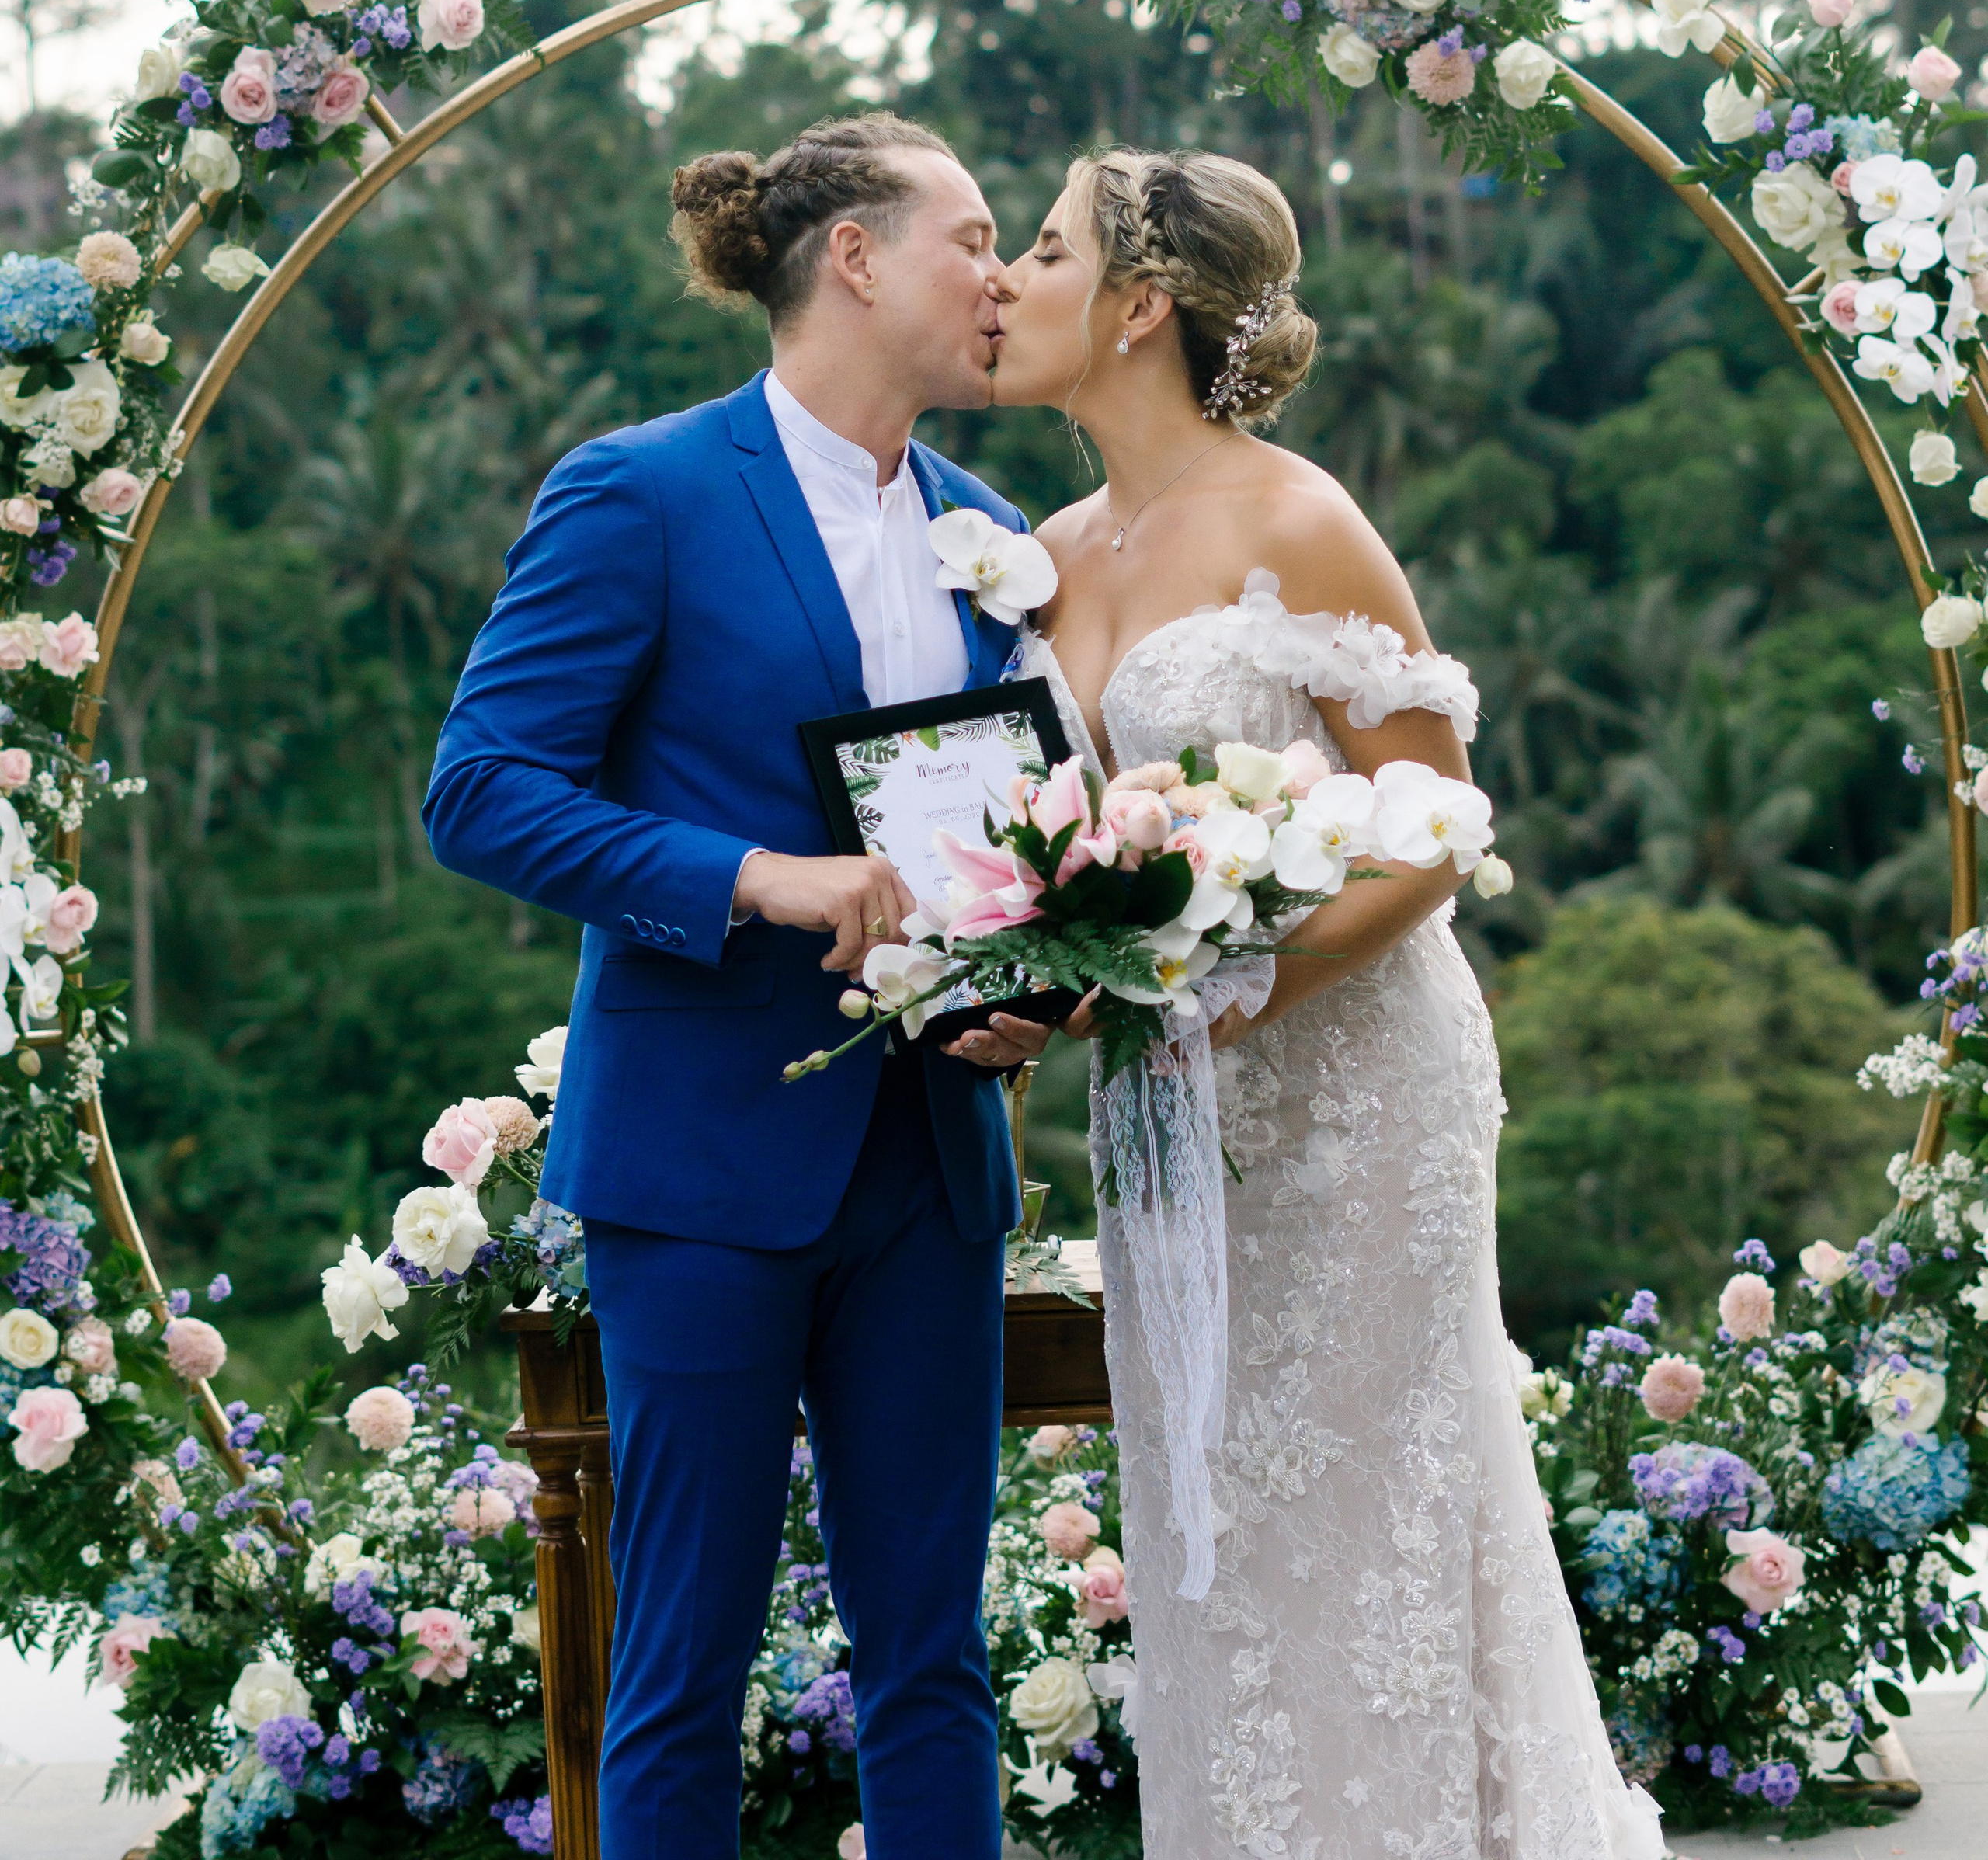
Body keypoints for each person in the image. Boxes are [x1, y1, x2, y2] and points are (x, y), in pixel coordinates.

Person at [978, 146, 1664, 1860]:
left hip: (1355, 1100)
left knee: (1373, 1507)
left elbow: (1435, 832)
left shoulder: (1298, 517)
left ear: (1137, 305)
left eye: (1043, 250)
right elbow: (1059, 868)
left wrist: (1238, 983)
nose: (1006, 280)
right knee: (1208, 1518)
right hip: (1164, 1117)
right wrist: (1053, 990)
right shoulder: (1039, 554)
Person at [424, 113, 1044, 1860]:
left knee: (936, 1659)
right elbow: (479, 789)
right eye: (971, 236)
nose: (999, 276)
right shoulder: (642, 490)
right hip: (697, 1169)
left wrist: (1037, 994)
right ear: (851, 256)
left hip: (931, 1166)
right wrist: (758, 880)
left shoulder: (991, 531)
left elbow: (1021, 852)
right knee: (679, 1661)